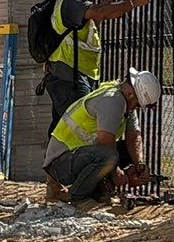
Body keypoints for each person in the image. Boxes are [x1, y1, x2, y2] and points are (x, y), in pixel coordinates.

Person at [28, 0, 154, 132]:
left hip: (74, 75)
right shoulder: (72, 2)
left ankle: (55, 158)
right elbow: (100, 13)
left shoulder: (75, 5)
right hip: (70, 76)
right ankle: (70, 158)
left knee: (64, 127)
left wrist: (100, 10)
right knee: (80, 127)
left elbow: (93, 21)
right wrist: (134, 2)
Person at [45, 65, 158, 207]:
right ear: (131, 94)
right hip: (60, 163)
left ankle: (96, 192)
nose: (135, 108)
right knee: (109, 156)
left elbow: (134, 136)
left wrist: (139, 165)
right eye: (136, 105)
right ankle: (79, 198)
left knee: (122, 153)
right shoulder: (113, 101)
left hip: (76, 156)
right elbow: (105, 143)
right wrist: (118, 175)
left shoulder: (123, 97)